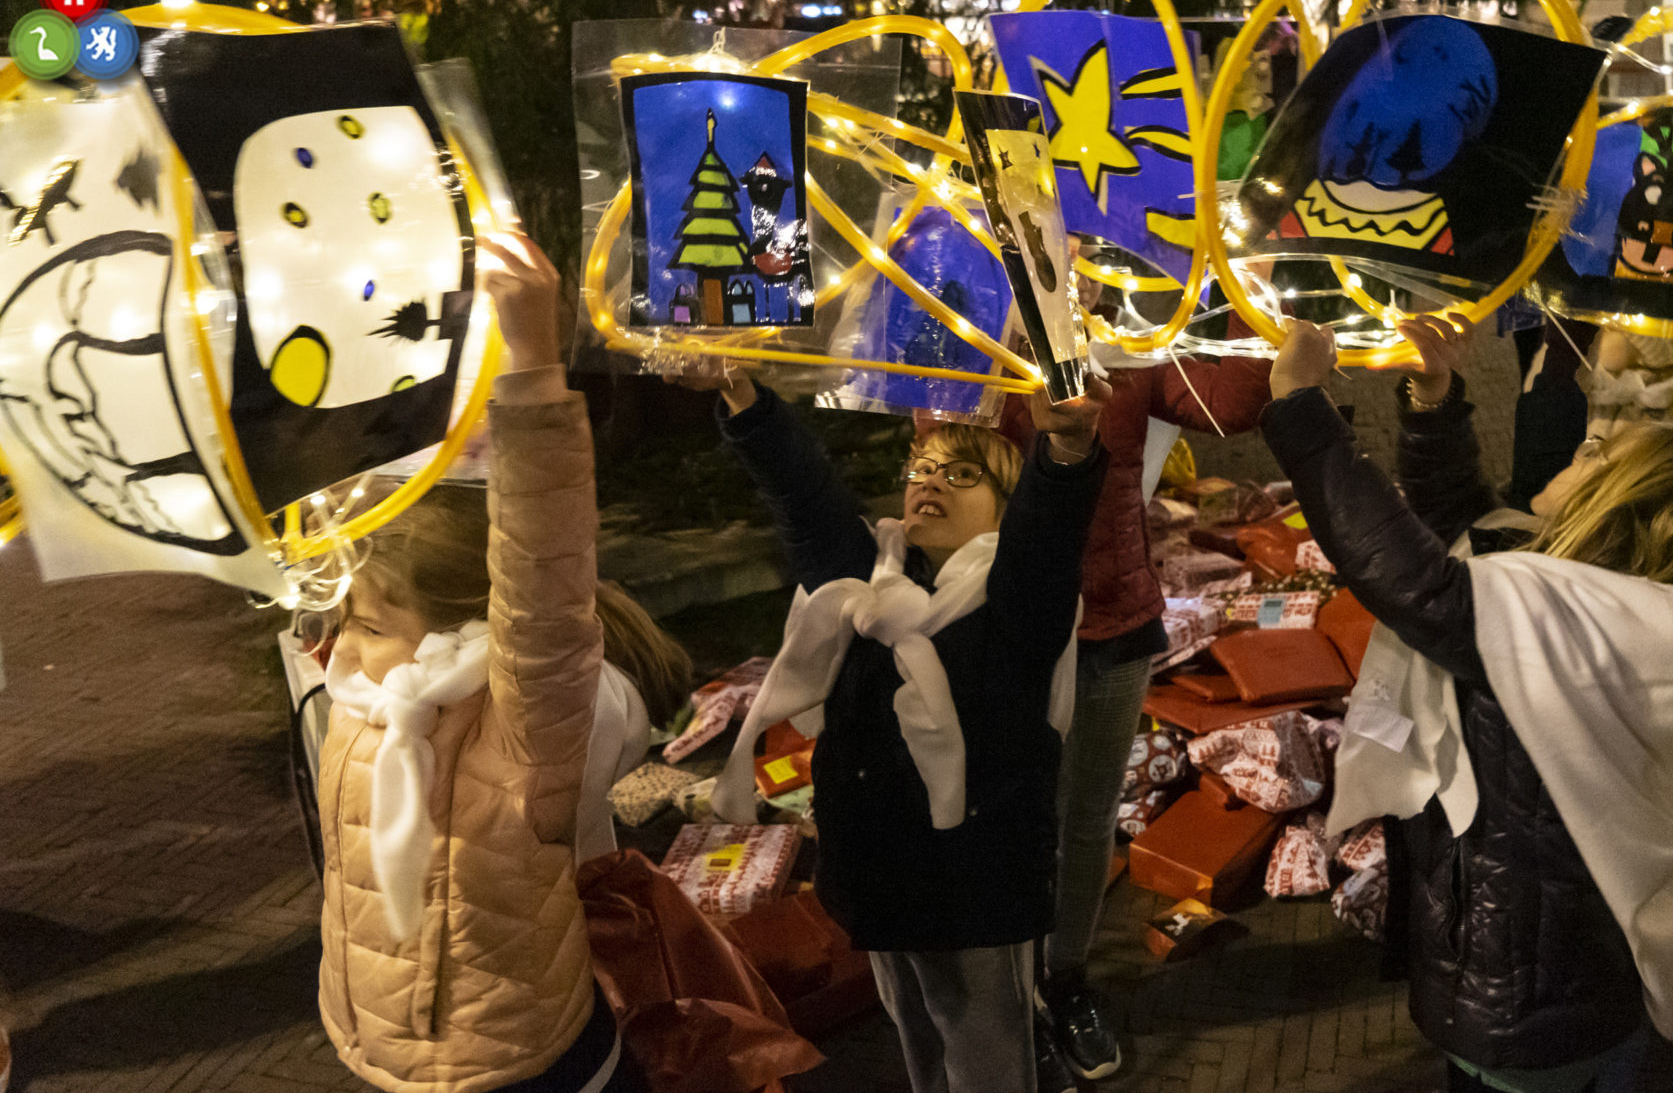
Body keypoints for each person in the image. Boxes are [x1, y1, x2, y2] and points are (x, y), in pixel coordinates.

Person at [1266, 314, 1673, 1092]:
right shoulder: (1626, 617)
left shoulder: (1578, 637)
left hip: (1527, 1004)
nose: (1584, 442)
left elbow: (1421, 580)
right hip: (1564, 986)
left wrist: (1299, 402)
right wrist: (1433, 402)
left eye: (1599, 456)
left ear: (1617, 513)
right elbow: (1469, 534)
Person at [317, 230, 688, 1093]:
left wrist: (528, 359)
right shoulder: (365, 692)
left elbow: (541, 573)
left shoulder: (521, 728)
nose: (341, 647)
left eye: (368, 624)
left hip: (516, 1064)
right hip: (381, 1049)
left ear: (462, 625)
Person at [674, 362, 1108, 1093]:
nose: (930, 481)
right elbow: (804, 497)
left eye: (962, 474)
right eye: (923, 468)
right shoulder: (869, 588)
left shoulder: (1015, 602)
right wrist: (743, 393)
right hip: (879, 882)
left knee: (986, 1058)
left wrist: (1063, 453)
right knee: (920, 1048)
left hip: (977, 891)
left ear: (1005, 507)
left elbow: (1048, 529)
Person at [995, 297, 1270, 1092]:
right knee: (1014, 822)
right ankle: (1006, 998)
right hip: (1007, 628)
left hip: (1116, 621)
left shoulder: (1122, 338)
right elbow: (944, 452)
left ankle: (1065, 979)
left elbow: (1230, 406)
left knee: (1087, 825)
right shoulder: (976, 336)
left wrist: (1256, 296)